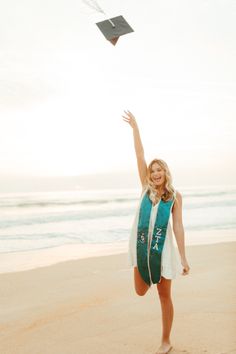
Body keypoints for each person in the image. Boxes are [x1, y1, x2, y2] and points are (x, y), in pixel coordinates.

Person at [122, 110, 190, 354]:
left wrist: (183, 257)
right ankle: (149, 272)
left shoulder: (174, 197)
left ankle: (166, 340)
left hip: (163, 251)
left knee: (164, 296)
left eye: (160, 170)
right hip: (142, 248)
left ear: (166, 173)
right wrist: (136, 129)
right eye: (153, 170)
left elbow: (179, 227)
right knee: (140, 291)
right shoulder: (144, 189)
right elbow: (139, 155)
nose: (156, 173)